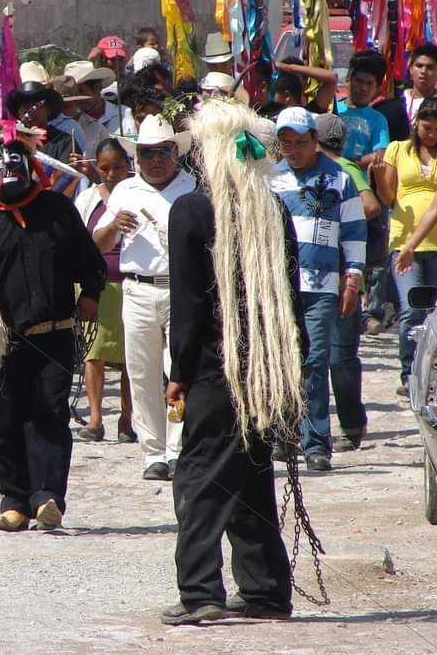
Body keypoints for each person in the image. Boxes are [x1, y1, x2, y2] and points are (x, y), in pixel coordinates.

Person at [162, 98, 304, 625]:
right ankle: (266, 590)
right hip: (267, 365)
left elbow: (191, 303)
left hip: (214, 370)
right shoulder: (274, 208)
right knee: (249, 477)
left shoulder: (192, 210)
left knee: (199, 479)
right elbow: (290, 297)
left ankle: (200, 592)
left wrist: (178, 373)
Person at [0, 140, 106, 531]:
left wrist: (90, 293)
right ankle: (14, 498)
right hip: (1, 339)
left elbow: (89, 261)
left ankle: (47, 497)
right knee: (4, 416)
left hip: (53, 333)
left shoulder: (57, 209)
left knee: (49, 413)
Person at [93, 115, 197, 481]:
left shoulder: (193, 188)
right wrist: (111, 227)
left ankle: (177, 447)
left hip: (180, 290)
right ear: (137, 157)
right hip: (136, 289)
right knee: (141, 373)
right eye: (147, 153)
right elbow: (98, 246)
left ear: (176, 152)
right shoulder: (124, 191)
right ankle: (152, 451)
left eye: (163, 152)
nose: (155, 159)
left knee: (177, 370)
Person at [271, 107, 366, 471]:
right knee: (283, 362)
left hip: (322, 286)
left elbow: (355, 232)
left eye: (300, 142)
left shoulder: (340, 179)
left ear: (314, 140)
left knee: (314, 362)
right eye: (286, 143)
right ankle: (284, 434)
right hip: (280, 288)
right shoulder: (270, 179)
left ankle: (316, 443)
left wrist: (352, 280)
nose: (293, 149)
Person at [375, 96, 437, 396]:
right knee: (411, 309)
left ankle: (434, 372)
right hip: (405, 242)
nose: (431, 134)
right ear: (416, 124)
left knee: (436, 313)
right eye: (427, 128)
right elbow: (389, 197)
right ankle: (409, 371)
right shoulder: (398, 150)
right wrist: (379, 178)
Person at [316, 114, 378, 450]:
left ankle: (352, 425)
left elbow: (370, 205)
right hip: (318, 275)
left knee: (340, 355)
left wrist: (336, 223)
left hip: (342, 273)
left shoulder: (344, 171)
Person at [73, 138, 135, 443]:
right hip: (98, 285)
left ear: (129, 166)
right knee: (94, 354)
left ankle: (127, 419)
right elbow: (83, 244)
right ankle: (96, 419)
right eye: (105, 168)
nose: (111, 174)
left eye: (118, 167)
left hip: (131, 284)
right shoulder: (87, 199)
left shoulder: (138, 196)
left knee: (130, 358)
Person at [376, 43, 437, 140]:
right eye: (419, 66)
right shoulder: (396, 103)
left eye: (430, 67)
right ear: (410, 68)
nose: (423, 71)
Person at [337, 51, 390, 167]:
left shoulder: (378, 119)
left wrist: (347, 165)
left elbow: (379, 155)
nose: (363, 88)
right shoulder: (333, 109)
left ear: (377, 88)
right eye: (359, 81)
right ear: (348, 79)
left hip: (358, 182)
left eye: (369, 83)